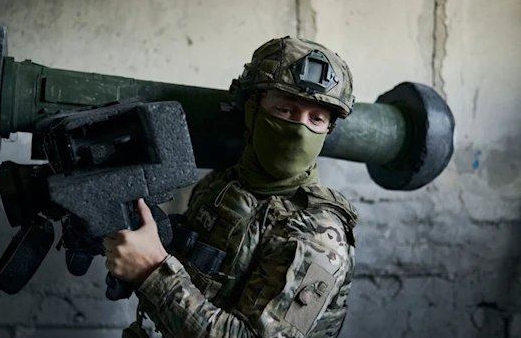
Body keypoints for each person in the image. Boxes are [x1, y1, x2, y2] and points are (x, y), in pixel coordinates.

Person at [103, 36, 359, 338]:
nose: (298, 131)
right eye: (285, 111)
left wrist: (152, 272)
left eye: (316, 119)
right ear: (252, 109)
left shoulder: (319, 236)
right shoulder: (224, 185)